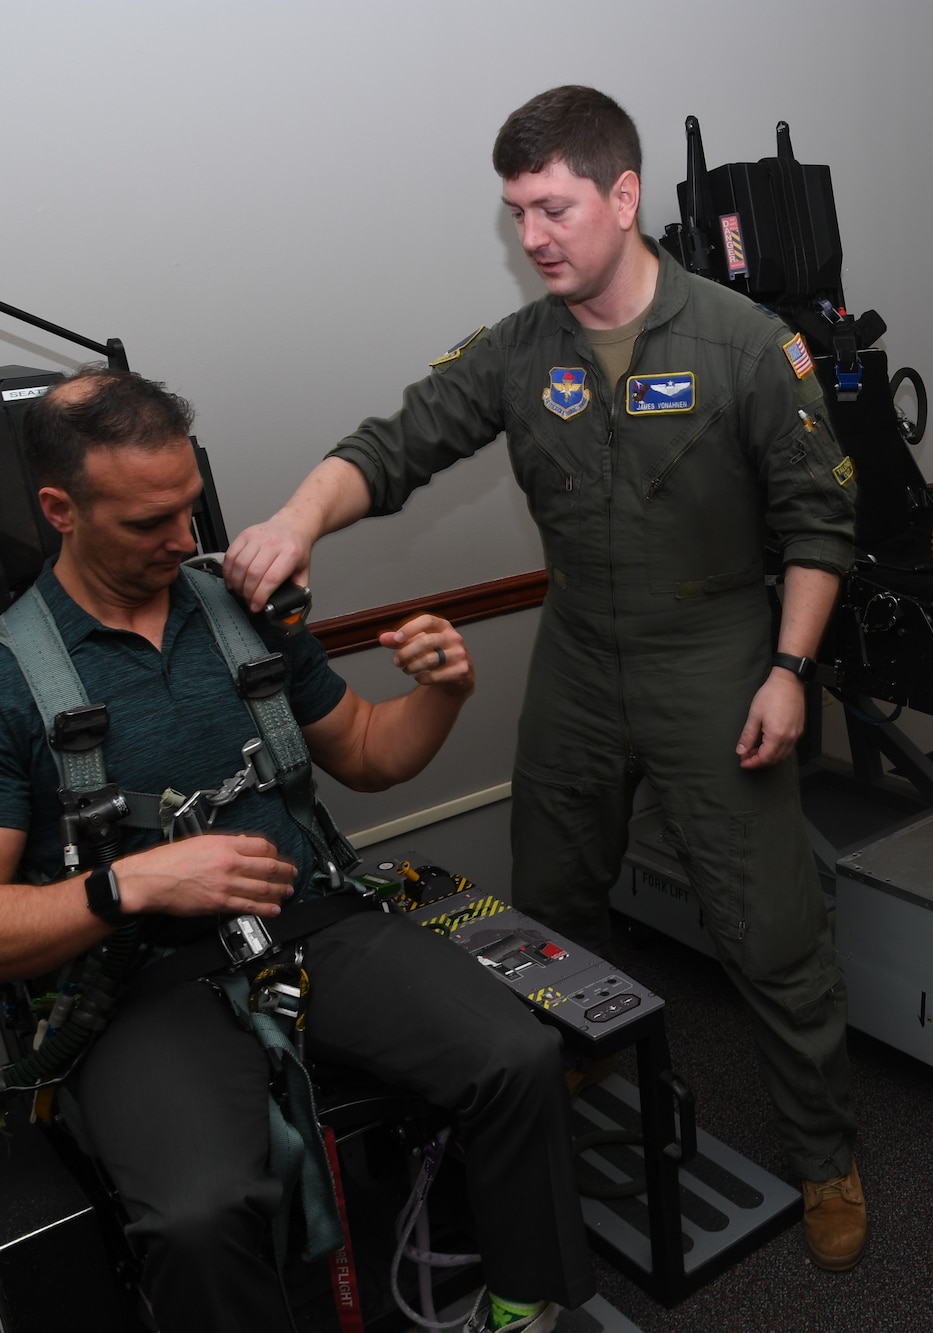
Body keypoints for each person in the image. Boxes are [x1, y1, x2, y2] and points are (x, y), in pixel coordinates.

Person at [224, 85, 868, 1269]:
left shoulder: (739, 344)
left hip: (716, 653)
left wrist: (789, 669)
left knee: (767, 926)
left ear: (624, 198)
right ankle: (559, 1108)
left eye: (553, 207)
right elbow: (394, 443)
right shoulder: (519, 351)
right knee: (549, 908)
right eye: (516, 211)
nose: (533, 237)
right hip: (577, 655)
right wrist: (296, 520)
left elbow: (821, 527)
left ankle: (826, 1156)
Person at [0, 369, 592, 1333]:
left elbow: (367, 753)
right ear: (61, 509)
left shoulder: (238, 609)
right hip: (138, 979)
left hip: (313, 921)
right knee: (198, 1213)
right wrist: (131, 882)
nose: (185, 540)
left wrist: (441, 691)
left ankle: (525, 1306)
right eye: (150, 522)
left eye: (190, 506)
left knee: (518, 1055)